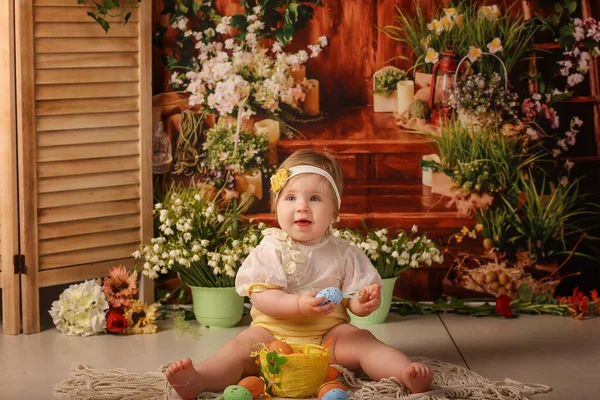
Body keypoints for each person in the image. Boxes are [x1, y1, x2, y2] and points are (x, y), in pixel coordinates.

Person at [165, 149, 433, 399]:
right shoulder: (271, 247)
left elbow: (353, 300)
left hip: (329, 339)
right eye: (291, 198)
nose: (302, 206)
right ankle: (200, 379)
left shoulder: (344, 252)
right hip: (271, 337)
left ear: (334, 211)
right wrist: (298, 305)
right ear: (276, 206)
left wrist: (362, 302)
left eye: (314, 198)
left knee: (365, 342)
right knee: (237, 349)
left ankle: (405, 374)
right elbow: (262, 297)